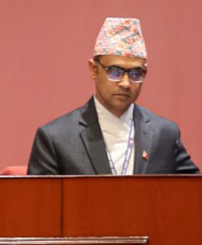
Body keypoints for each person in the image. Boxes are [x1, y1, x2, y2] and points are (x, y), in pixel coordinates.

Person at [28, 17, 197, 175]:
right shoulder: (56, 138)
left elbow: (194, 193)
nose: (125, 83)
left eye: (135, 73)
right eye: (114, 72)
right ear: (93, 69)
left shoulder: (164, 134)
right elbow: (39, 203)